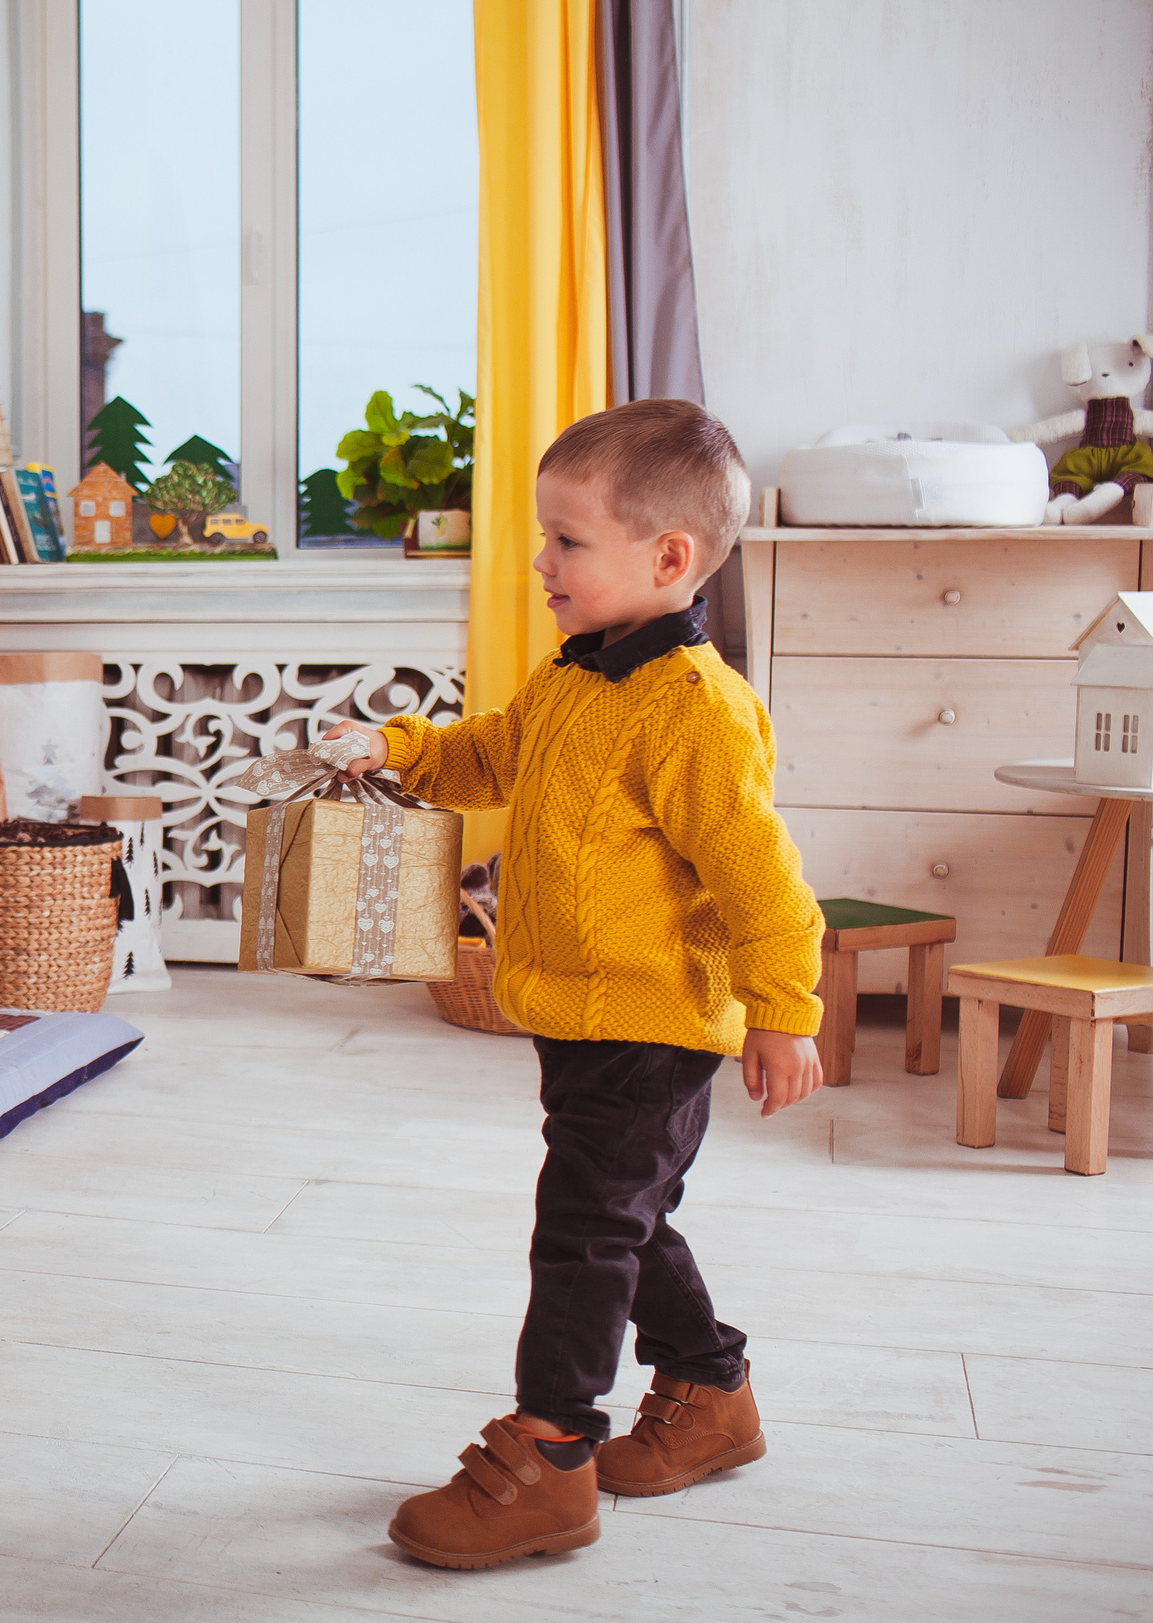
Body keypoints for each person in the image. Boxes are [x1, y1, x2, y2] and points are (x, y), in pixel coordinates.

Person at [321, 398, 824, 1570]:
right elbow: (488, 753)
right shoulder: (571, 677)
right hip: (575, 1018)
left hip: (654, 1024)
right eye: (543, 536)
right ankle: (710, 1394)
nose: (539, 562)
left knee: (582, 1229)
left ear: (667, 558)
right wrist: (396, 750)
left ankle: (551, 1455)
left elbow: (764, 882)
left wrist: (784, 1012)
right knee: (626, 1216)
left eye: (564, 541)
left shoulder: (696, 711)